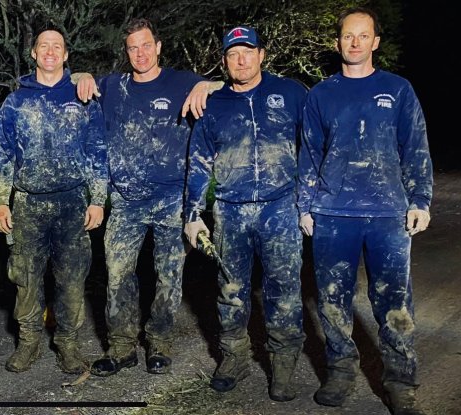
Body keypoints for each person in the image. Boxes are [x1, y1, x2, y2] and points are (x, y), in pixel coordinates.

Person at [297, 8, 432, 415]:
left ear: (374, 42)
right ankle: (340, 369)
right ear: (338, 42)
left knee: (394, 301)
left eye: (363, 36)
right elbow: (309, 154)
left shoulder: (399, 89)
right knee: (333, 300)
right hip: (332, 214)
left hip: (388, 213)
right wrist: (305, 206)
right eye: (347, 36)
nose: (354, 42)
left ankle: (401, 381)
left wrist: (420, 200)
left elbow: (416, 147)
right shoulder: (321, 94)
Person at [74, 18, 220, 377]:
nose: (140, 53)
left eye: (145, 45)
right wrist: (84, 76)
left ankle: (159, 343)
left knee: (168, 275)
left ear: (158, 47)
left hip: (173, 198)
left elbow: (226, 86)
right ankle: (121, 347)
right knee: (117, 273)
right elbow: (72, 79)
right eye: (132, 47)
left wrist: (205, 85)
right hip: (126, 199)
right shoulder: (113, 86)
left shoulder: (182, 82)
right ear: (127, 52)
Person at [183, 26, 306, 401]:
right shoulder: (213, 104)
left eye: (248, 52)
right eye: (233, 54)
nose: (241, 59)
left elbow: (317, 144)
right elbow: (199, 161)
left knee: (283, 290)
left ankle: (282, 367)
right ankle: (233, 357)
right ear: (224, 60)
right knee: (230, 290)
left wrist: (312, 201)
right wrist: (192, 214)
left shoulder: (291, 93)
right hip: (231, 213)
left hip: (281, 208)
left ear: (261, 55)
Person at [0, 28, 108, 374]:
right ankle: (28, 342)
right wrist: (0, 200)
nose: (51, 51)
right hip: (28, 204)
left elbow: (97, 152)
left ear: (66, 54)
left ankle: (68, 344)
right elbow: (2, 155)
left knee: (72, 279)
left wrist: (98, 199)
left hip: (72, 204)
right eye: (44, 46)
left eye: (58, 46)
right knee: (25, 278)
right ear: (34, 53)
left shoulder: (83, 97)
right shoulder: (15, 101)